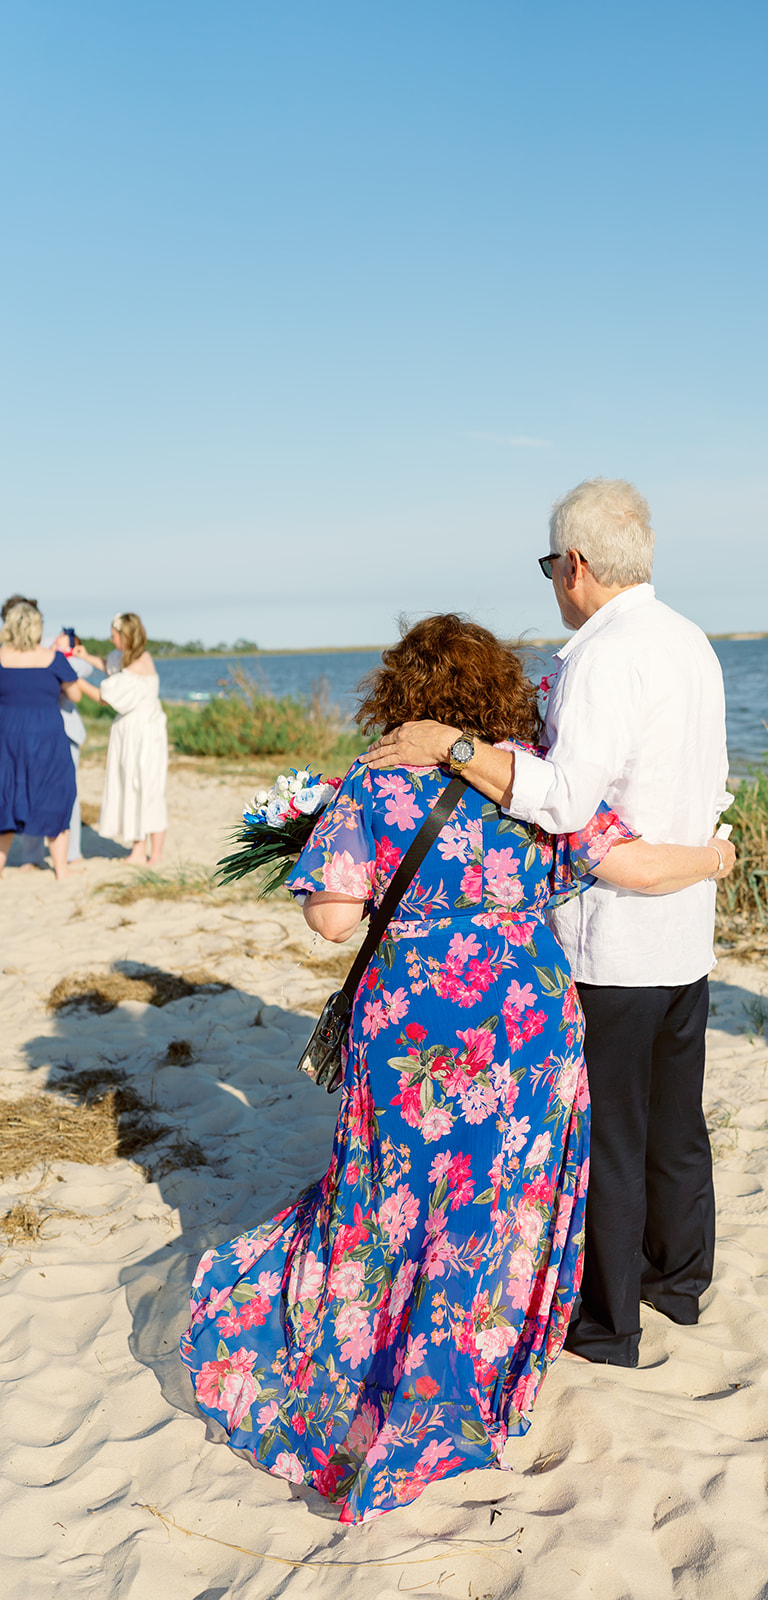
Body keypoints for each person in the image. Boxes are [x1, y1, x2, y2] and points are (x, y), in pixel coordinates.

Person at [180, 614, 729, 1524]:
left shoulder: (373, 782)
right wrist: (715, 855)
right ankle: (472, 1360)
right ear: (499, 691)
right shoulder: (533, 782)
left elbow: (330, 920)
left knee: (393, 1192)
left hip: (415, 1028)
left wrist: (318, 845)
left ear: (396, 695)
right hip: (526, 1026)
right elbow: (632, 867)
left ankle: (374, 1346)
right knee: (498, 1202)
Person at [363, 479, 734, 1367]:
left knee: (611, 1136)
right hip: (685, 927)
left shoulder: (605, 655)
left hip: (614, 938)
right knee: (675, 1123)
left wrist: (454, 747)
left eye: (548, 566)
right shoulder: (690, 641)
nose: (551, 584)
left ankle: (608, 1325)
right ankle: (677, 1283)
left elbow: (567, 800)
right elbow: (710, 786)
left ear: (575, 565)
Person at [0, 599, 83, 880]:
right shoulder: (53, 659)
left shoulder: (0, 657)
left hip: (7, 736)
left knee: (5, 797)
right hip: (47, 736)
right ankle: (61, 870)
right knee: (56, 794)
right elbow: (75, 695)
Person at [76, 612, 167, 864]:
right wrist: (85, 658)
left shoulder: (138, 666)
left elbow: (103, 697)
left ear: (125, 637)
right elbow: (109, 664)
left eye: (114, 635)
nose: (110, 638)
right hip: (129, 731)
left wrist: (73, 678)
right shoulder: (124, 658)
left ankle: (155, 853)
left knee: (148, 789)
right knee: (130, 788)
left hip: (144, 734)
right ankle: (138, 849)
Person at [18, 631, 93, 869]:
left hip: (66, 732)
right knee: (31, 791)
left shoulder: (69, 660)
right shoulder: (42, 652)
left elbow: (83, 669)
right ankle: (32, 856)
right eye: (57, 635)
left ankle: (72, 854)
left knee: (68, 794)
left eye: (64, 637)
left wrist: (55, 660)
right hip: (36, 732)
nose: (58, 637)